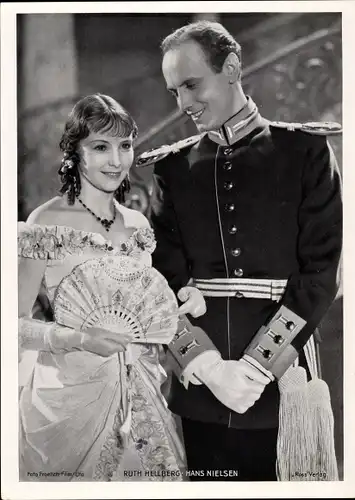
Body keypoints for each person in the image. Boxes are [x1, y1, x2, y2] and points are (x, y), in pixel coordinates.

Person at [136, 21, 343, 481]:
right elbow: (160, 281)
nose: (184, 103)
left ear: (230, 68)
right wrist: (207, 367)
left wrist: (255, 367)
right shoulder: (172, 168)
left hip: (279, 377)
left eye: (192, 84)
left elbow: (322, 272)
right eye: (174, 92)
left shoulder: (305, 150)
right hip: (202, 386)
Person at [17, 93, 207, 481]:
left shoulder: (138, 225)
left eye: (125, 145)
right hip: (70, 400)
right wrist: (82, 339)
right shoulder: (45, 221)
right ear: (76, 152)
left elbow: (146, 311)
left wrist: (181, 301)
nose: (117, 160)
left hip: (142, 392)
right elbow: (13, 325)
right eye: (101, 147)